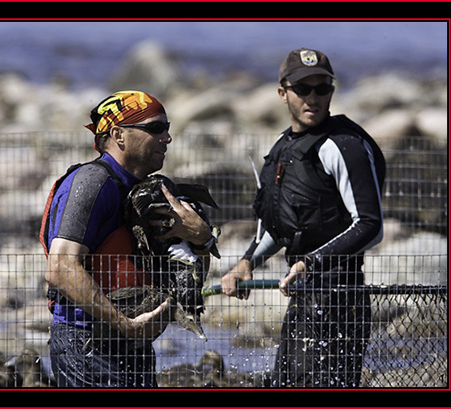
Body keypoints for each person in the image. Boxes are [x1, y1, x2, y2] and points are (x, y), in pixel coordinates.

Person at [221, 48, 385, 388]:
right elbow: (279, 225)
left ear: (332, 92)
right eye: (302, 89)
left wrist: (310, 263)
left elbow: (370, 225)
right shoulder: (284, 146)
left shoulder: (344, 145)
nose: (313, 98)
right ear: (283, 93)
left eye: (321, 89)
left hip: (342, 299)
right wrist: (246, 262)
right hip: (303, 297)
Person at [41, 90, 216, 387]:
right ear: (119, 135)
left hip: (134, 344)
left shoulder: (147, 193)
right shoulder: (92, 182)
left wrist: (201, 240)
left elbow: (191, 277)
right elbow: (60, 268)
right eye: (155, 128)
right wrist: (127, 325)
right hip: (86, 343)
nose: (167, 138)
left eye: (167, 128)